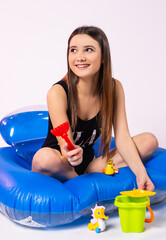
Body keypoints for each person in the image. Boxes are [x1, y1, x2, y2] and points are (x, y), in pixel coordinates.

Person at [32, 26, 158, 191]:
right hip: (61, 164)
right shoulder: (57, 92)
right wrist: (72, 155)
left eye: (89, 50)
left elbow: (123, 138)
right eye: (74, 50)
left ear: (103, 57)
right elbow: (66, 151)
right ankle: (83, 186)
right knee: (44, 157)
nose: (80, 57)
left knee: (149, 141)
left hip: (88, 166)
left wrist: (141, 174)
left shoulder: (114, 88)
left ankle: (83, 179)